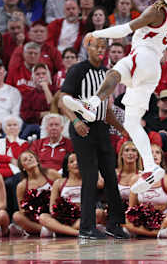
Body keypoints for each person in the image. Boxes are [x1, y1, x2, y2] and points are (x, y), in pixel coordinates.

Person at [72, 0, 167, 194]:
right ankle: (151, 167)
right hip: (154, 68)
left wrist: (96, 33)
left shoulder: (156, 9)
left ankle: (93, 103)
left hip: (144, 55)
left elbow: (124, 30)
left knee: (113, 73)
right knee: (133, 122)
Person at [56, 35, 129, 239]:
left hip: (101, 128)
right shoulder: (77, 70)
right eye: (96, 46)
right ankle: (86, 228)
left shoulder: (107, 74)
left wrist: (122, 129)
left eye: (103, 47)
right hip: (82, 128)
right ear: (88, 48)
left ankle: (115, 224)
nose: (100, 50)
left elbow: (106, 110)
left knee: (111, 177)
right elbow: (63, 100)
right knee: (89, 177)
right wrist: (75, 121)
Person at [124, 143, 167, 238]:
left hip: (163, 217)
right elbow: (131, 209)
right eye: (151, 153)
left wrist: (161, 219)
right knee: (125, 219)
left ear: (161, 157)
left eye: (157, 152)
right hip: (143, 218)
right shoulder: (135, 179)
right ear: (144, 158)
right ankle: (158, 234)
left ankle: (139, 232)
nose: (154, 155)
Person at [38, 153, 93, 237]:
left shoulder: (89, 180)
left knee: (97, 213)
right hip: (63, 218)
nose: (76, 163)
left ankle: (60, 230)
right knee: (43, 217)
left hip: (83, 216)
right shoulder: (59, 182)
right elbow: (52, 207)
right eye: (72, 161)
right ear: (67, 167)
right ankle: (77, 232)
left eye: (79, 161)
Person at [10, 150, 61, 236]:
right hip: (36, 219)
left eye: (31, 157)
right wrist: (33, 214)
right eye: (25, 159)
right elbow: (22, 210)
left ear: (37, 161)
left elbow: (64, 189)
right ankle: (46, 230)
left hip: (54, 213)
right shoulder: (21, 186)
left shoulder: (51, 174)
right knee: (16, 216)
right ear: (22, 167)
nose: (29, 159)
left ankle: (47, 229)